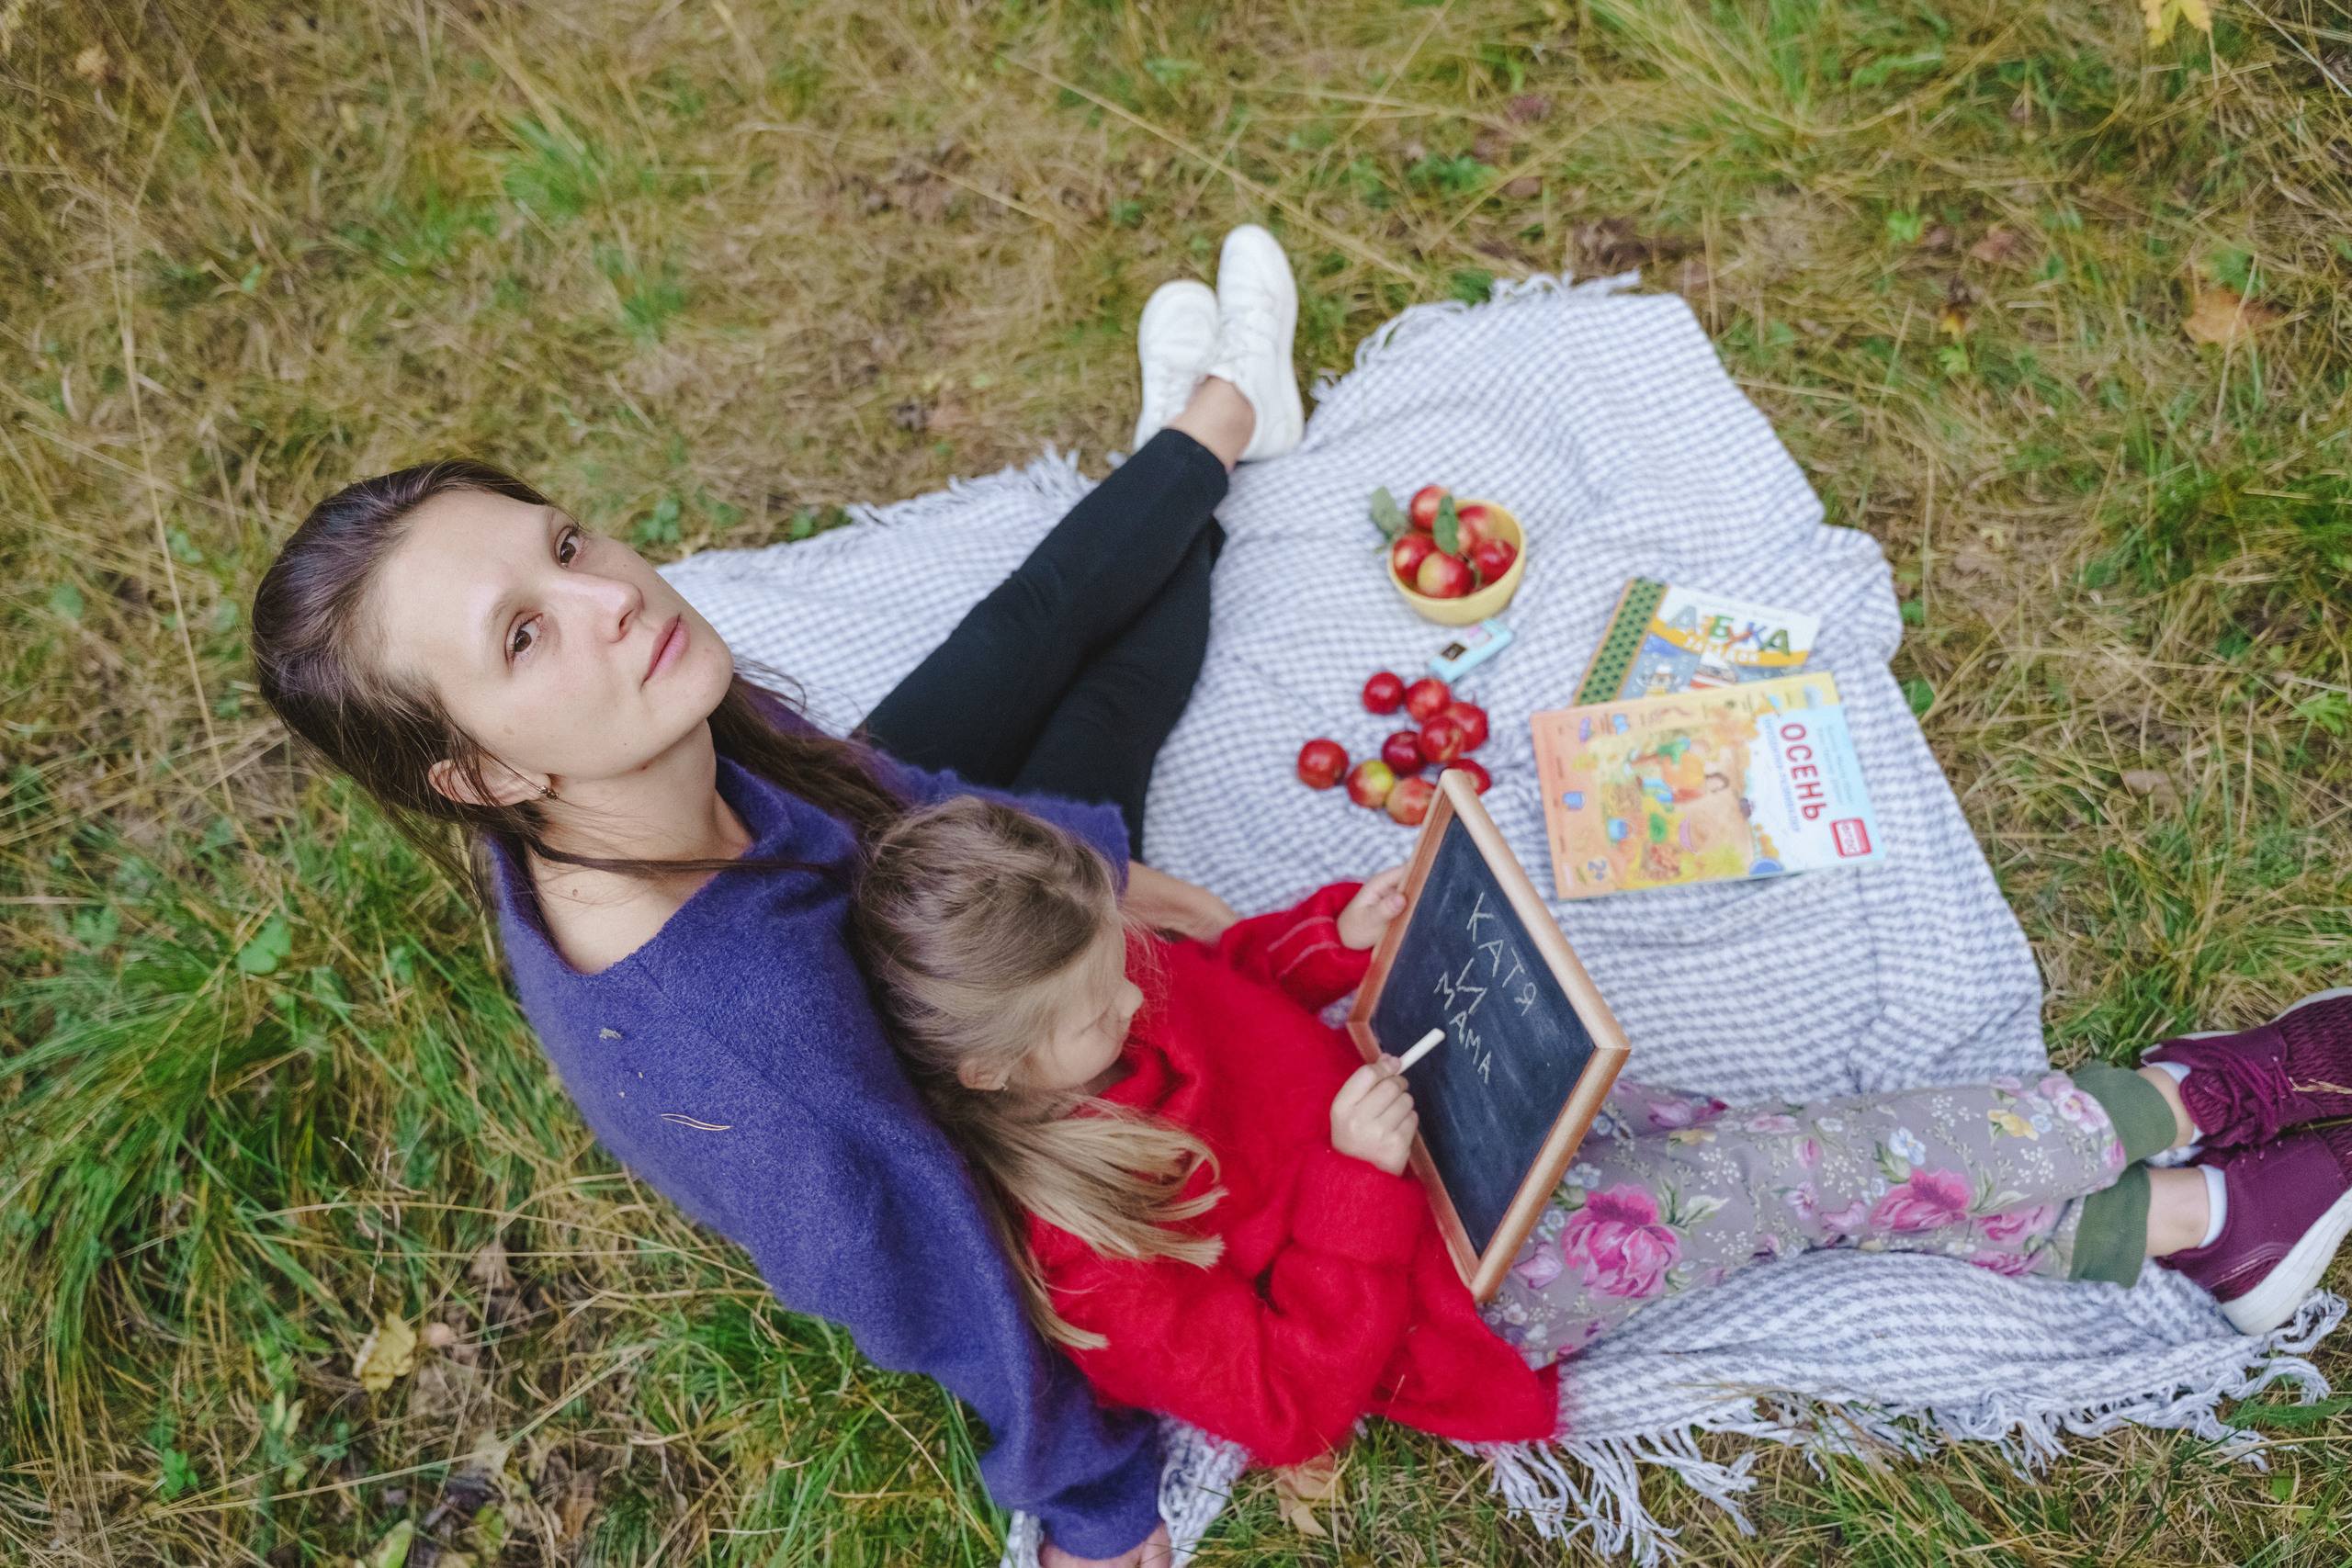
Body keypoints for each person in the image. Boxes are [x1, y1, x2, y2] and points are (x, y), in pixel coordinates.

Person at [250, 225, 1310, 1568]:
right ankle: (1211, 438)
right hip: (961, 972)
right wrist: (1095, 1506)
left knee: (1023, 627)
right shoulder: (751, 1045)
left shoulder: (640, 721)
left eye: (567, 542)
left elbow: (885, 787)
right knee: (1114, 693)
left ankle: (1209, 424)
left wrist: (1123, 872)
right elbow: (947, 1287)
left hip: (906, 868)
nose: (608, 596)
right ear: (477, 771)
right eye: (525, 634)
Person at [846, 795, 2352, 1483]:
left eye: (1123, 956)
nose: (1138, 988)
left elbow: (1228, 990)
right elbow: (1293, 1406)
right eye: (1102, 1003)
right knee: (1804, 1171)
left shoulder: (1102, 986)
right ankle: (2189, 1101)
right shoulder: (1097, 1262)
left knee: (1783, 1157)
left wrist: (1325, 936)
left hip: (1447, 1106)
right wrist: (1358, 1196)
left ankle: (2197, 1228)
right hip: (1460, 1278)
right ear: (993, 1074)